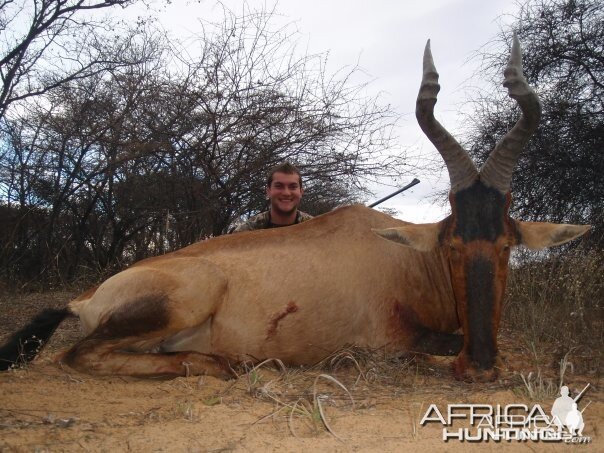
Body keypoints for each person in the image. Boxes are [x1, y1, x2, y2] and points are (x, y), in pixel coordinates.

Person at [229, 163, 313, 233]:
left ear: (301, 192)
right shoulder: (245, 231)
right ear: (268, 192)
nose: (286, 193)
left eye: (293, 187)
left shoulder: (315, 228)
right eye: (279, 186)